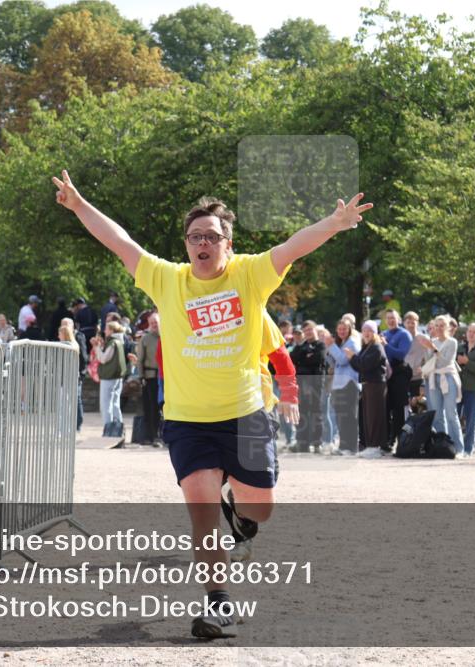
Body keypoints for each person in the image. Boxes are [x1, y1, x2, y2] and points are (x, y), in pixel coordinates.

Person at [53, 168, 372, 638]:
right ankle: (218, 604)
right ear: (186, 244)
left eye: (211, 237)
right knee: (201, 513)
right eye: (194, 237)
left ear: (228, 245)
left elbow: (293, 246)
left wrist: (334, 222)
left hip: (245, 416)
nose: (202, 244)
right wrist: (80, 206)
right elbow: (121, 243)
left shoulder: (250, 276)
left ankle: (237, 501)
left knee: (258, 509)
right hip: (189, 421)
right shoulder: (167, 280)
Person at [420, 315, 463, 455]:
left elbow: (445, 362)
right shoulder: (432, 342)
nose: (438, 328)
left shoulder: (452, 342)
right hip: (433, 378)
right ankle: (442, 447)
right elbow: (429, 362)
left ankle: (458, 448)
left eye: (441, 325)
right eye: (436, 326)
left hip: (448, 377)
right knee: (437, 415)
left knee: (451, 413)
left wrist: (432, 349)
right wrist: (430, 348)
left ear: (448, 327)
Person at [347, 320, 387, 458]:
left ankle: (375, 446)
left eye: (369, 330)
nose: (366, 333)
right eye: (364, 331)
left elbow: (364, 365)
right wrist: (354, 358)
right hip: (367, 385)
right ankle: (371, 445)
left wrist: (352, 357)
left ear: (375, 332)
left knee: (374, 416)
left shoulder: (376, 347)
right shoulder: (367, 346)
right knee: (368, 416)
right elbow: (360, 364)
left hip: (375, 385)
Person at [288, 320, 326, 453]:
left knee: (316, 412)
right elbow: (292, 359)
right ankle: (302, 442)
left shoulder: (321, 345)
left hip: (315, 383)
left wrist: (303, 360)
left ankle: (317, 443)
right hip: (302, 383)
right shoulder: (301, 346)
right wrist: (305, 356)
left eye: (310, 329)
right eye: (306, 331)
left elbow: (318, 358)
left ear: (315, 330)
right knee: (301, 412)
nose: (308, 332)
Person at [325, 319, 361, 455]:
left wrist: (332, 346)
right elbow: (334, 362)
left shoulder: (353, 342)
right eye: (339, 329)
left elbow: (343, 360)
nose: (341, 331)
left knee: (349, 417)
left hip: (349, 384)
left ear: (350, 329)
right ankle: (343, 446)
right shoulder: (341, 343)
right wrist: (329, 350)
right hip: (339, 384)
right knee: (341, 417)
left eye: (344, 329)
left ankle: (350, 447)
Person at [381, 310, 413, 451]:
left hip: (399, 372)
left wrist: (386, 345)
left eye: (393, 318)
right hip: (386, 373)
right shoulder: (385, 334)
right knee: (386, 408)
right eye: (388, 318)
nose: (391, 321)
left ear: (399, 319)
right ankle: (388, 440)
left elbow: (401, 354)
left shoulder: (404, 334)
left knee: (399, 409)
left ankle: (401, 440)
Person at [457, 323, 475, 457]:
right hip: (458, 388)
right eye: (469, 331)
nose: (471, 333)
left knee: (471, 419)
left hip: (473, 389)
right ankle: (456, 446)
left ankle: (468, 449)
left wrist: (467, 362)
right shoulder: (459, 347)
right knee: (455, 417)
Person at [135, 312, 163, 445]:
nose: (154, 325)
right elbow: (139, 360)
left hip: (164, 378)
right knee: (151, 407)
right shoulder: (145, 339)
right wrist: (141, 377)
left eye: (156, 323)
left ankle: (162, 435)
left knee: (162, 407)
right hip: (150, 377)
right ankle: (151, 435)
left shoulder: (166, 337)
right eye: (151, 323)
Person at [96, 320, 127, 437]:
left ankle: (108, 430)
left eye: (107, 329)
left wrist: (97, 347)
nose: (105, 331)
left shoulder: (113, 342)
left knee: (105, 405)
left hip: (109, 377)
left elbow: (103, 359)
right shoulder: (119, 341)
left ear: (112, 330)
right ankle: (119, 430)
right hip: (117, 377)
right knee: (115, 403)